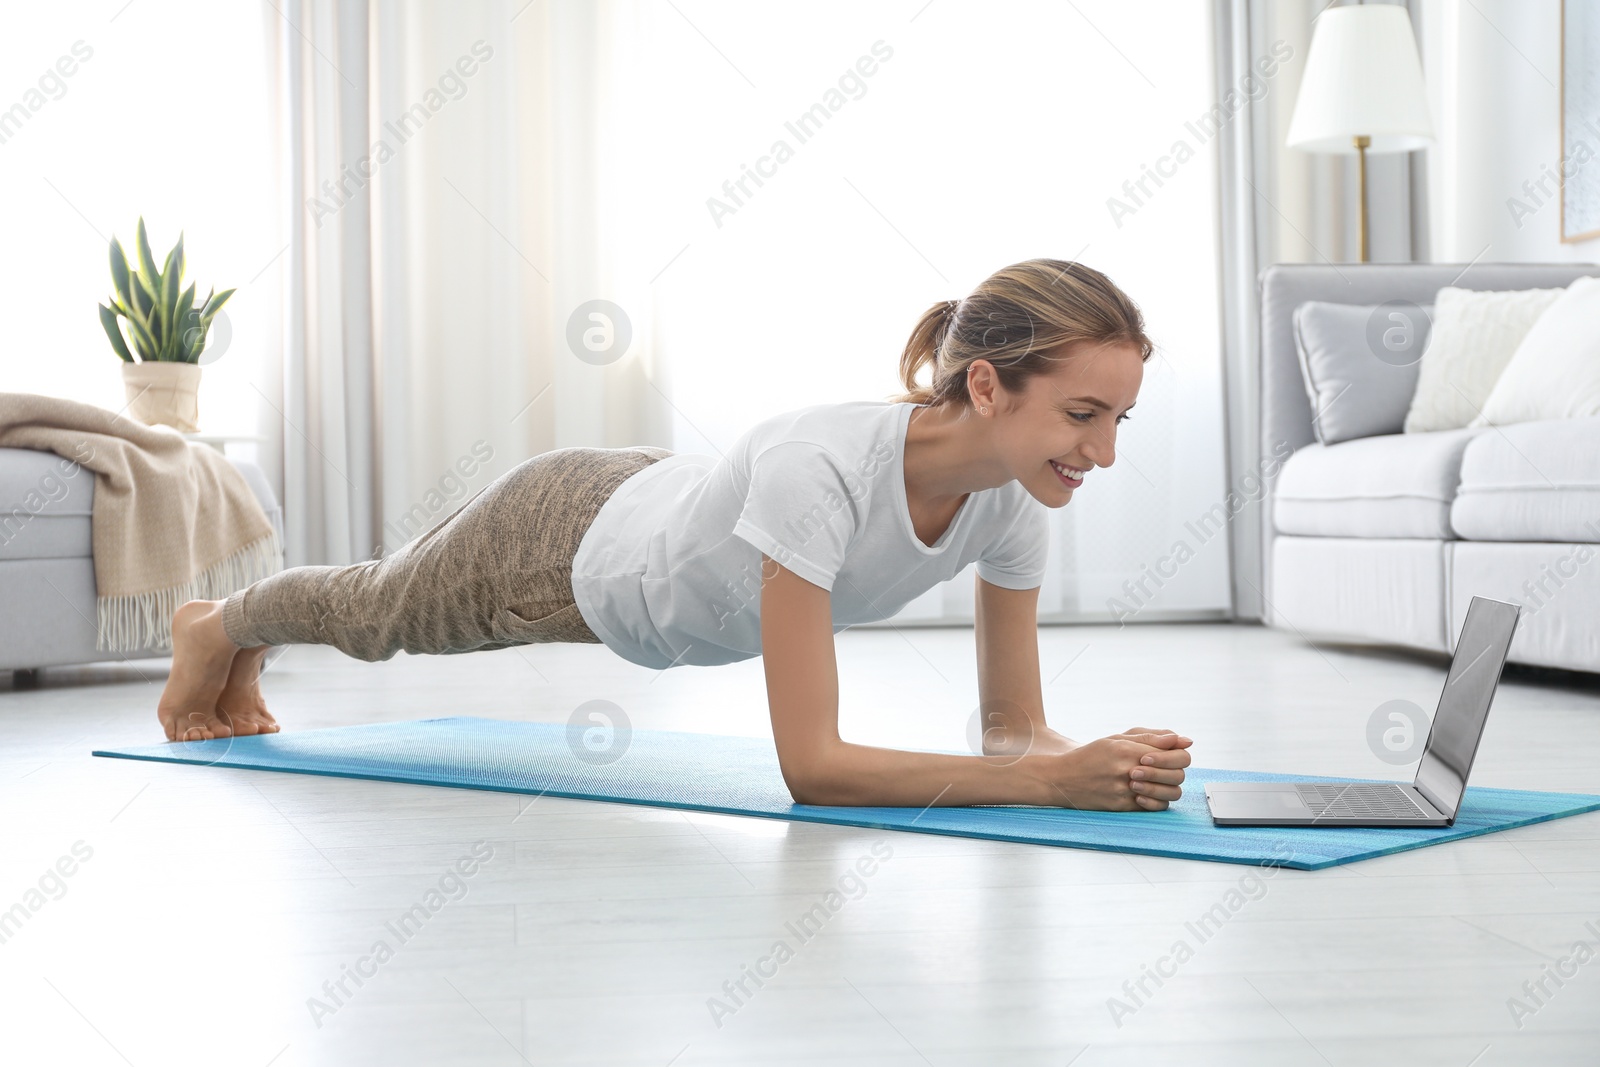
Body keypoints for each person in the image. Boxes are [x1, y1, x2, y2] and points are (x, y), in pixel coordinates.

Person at [156, 258, 1192, 811]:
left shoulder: (1015, 492)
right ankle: (218, 626)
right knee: (380, 611)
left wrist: (1091, 758)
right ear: (985, 384)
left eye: (1117, 419)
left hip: (666, 502)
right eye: (1080, 414)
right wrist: (1048, 782)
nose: (1100, 452)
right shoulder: (819, 469)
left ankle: (234, 641)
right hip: (561, 548)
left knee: (378, 606)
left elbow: (1012, 727)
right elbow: (814, 766)